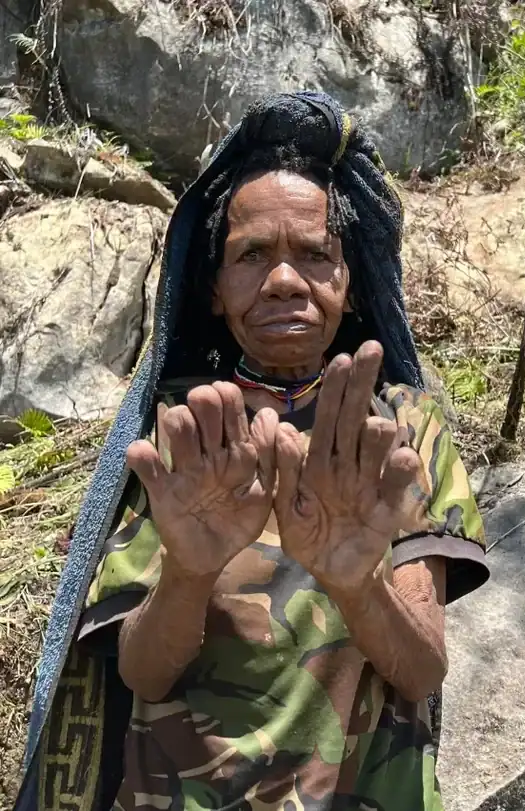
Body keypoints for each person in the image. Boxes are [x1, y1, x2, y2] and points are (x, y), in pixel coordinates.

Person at [15, 91, 489, 811]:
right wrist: (188, 571)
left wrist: (359, 585)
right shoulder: (180, 431)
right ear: (213, 288)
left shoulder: (402, 429)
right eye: (252, 255)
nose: (285, 281)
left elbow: (421, 670)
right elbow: (142, 672)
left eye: (315, 254)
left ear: (349, 282)